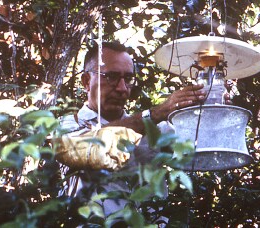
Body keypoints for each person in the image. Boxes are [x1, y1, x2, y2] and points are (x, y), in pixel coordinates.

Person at [58, 41, 207, 217]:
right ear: (86, 81)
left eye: (128, 79)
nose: (122, 88)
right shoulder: (67, 126)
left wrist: (212, 106)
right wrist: (156, 113)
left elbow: (203, 150)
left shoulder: (156, 130)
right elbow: (83, 146)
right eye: (111, 77)